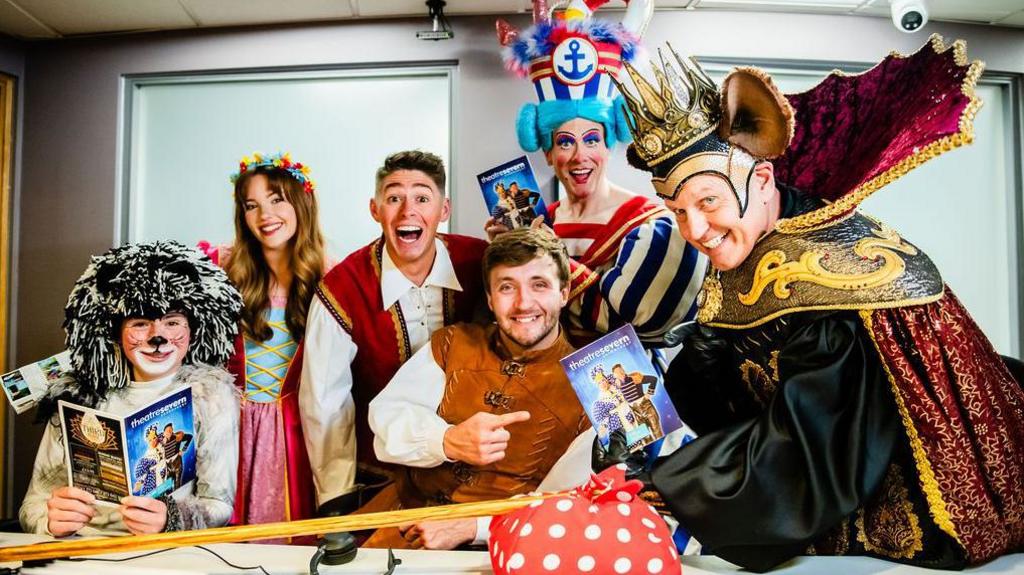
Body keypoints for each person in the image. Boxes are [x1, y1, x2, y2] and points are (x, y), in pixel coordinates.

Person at [597, 37, 1024, 570]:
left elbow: (814, 449)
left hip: (919, 524)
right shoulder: (754, 241)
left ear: (761, 177)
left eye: (707, 202)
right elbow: (739, 399)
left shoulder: (833, 273)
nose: (696, 230)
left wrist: (670, 481)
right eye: (677, 211)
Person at [364, 227, 594, 550]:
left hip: (502, 549)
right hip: (399, 525)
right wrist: (445, 441)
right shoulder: (452, 343)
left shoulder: (593, 385)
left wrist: (473, 527)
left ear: (564, 292)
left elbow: (569, 505)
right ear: (489, 297)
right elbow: (385, 420)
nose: (523, 303)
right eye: (506, 287)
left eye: (539, 285)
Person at [494, 0, 706, 344]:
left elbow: (638, 324)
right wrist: (509, 249)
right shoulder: (540, 220)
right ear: (547, 153)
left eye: (592, 139)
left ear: (609, 145)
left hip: (617, 390)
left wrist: (544, 254)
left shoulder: (653, 223)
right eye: (564, 142)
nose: (580, 156)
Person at [300, 150, 488, 515]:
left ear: (443, 210)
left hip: (474, 473)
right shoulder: (342, 288)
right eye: (394, 198)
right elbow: (325, 404)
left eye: (421, 197)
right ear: (375, 209)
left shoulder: (481, 263)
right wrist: (337, 501)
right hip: (381, 478)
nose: (407, 212)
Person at [20, 241, 243, 536]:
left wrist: (171, 518)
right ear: (114, 331)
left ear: (193, 330)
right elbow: (32, 505)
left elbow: (219, 504)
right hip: (82, 551)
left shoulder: (211, 397)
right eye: (140, 324)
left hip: (163, 555)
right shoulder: (75, 394)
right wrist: (48, 520)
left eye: (173, 322)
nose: (158, 337)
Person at [201, 152, 327, 529]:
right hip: (227, 430)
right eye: (251, 205)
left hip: (297, 434)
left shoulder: (331, 278)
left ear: (301, 202)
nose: (264, 215)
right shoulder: (219, 271)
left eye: (276, 200)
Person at [610, 363, 662, 438]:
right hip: (635, 412)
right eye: (617, 372)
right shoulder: (617, 385)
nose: (621, 373)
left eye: (621, 370)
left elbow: (653, 379)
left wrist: (649, 393)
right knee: (645, 437)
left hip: (646, 407)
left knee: (657, 432)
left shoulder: (635, 378)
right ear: (615, 375)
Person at [161, 423, 193, 490]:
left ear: (172, 431)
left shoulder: (177, 437)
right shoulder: (162, 441)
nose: (169, 432)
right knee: (167, 485)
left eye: (170, 430)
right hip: (168, 466)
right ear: (164, 433)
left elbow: (190, 437)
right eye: (167, 431)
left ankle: (178, 496)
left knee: (177, 483)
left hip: (177, 464)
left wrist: (183, 450)